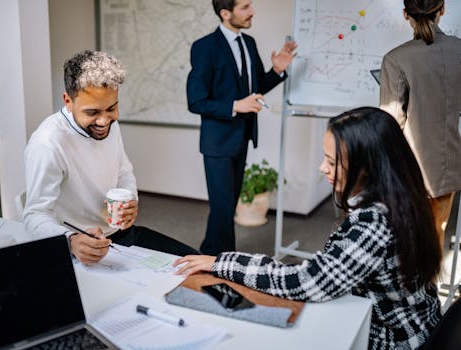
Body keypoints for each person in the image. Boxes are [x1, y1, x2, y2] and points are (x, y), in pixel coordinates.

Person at [174, 107, 443, 349]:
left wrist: (222, 262)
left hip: (393, 339)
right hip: (413, 323)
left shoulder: (374, 222)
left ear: (367, 168)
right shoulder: (403, 196)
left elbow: (307, 281)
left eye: (333, 162)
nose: (322, 168)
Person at [23, 50, 199, 264]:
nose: (104, 121)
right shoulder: (48, 143)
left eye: (112, 108)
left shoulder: (107, 126)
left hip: (121, 235)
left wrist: (130, 199)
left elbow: (124, 172)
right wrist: (71, 241)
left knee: (198, 262)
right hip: (79, 248)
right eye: (92, 112)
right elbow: (35, 214)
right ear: (68, 101)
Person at [186, 0, 297, 255]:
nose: (252, 12)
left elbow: (256, 88)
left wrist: (277, 70)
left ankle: (209, 252)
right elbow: (196, 101)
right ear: (226, 13)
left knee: (226, 205)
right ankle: (226, 268)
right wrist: (236, 105)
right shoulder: (205, 47)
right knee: (224, 208)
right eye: (245, 7)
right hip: (217, 142)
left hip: (242, 137)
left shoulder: (249, 43)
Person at [379, 0, 461, 250]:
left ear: (406, 14)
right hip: (449, 161)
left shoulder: (395, 59)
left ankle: (416, 287)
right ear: (442, 9)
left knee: (409, 238)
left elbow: (391, 121)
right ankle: (430, 288)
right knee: (437, 232)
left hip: (409, 166)